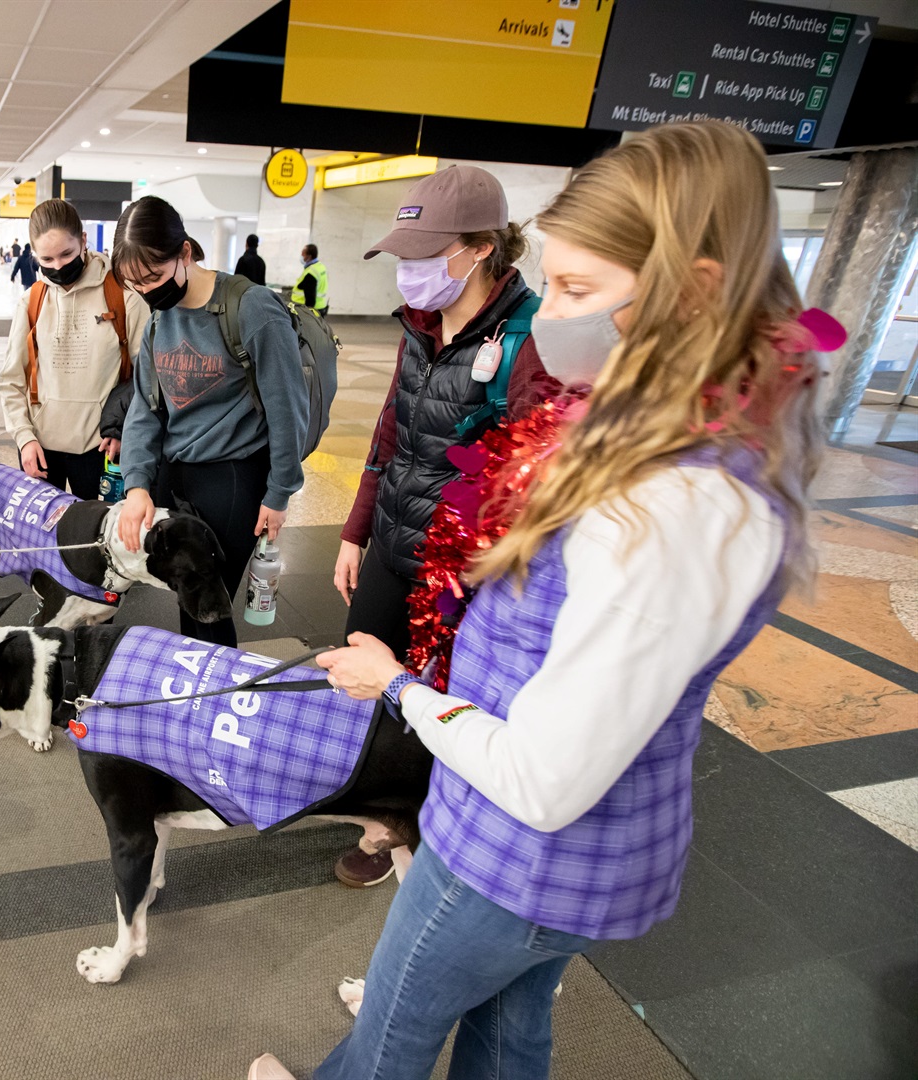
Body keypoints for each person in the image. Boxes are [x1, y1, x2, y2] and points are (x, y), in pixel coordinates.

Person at [249, 121, 824, 1080]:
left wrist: (396, 683)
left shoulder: (669, 500)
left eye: (580, 291)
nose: (551, 316)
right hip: (577, 855)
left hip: (513, 852)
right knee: (510, 1033)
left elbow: (546, 779)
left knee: (392, 1030)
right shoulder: (656, 436)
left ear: (696, 293)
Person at [328, 165, 556, 888]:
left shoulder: (532, 338)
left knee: (432, 700)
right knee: (359, 676)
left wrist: (474, 571)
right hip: (396, 540)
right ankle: (379, 815)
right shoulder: (420, 326)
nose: (412, 272)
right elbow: (391, 427)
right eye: (406, 255)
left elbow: (532, 482)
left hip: (461, 574)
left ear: (481, 248)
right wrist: (354, 530)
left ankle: (420, 831)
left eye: (428, 255)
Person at [113, 196, 308, 647]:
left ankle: (215, 702)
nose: (146, 291)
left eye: (153, 277)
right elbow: (145, 406)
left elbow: (287, 410)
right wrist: (137, 484)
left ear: (185, 252)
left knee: (207, 606)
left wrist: (280, 493)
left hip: (232, 478)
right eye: (133, 284)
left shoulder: (252, 309)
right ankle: (199, 692)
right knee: (188, 600)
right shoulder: (158, 319)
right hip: (174, 472)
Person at [0, 199, 149, 496]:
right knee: (40, 540)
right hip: (40, 449)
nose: (58, 266)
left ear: (83, 240)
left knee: (93, 540)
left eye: (66, 254)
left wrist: (122, 430)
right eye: (47, 260)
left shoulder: (123, 296)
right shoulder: (32, 301)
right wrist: (24, 437)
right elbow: (11, 380)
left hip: (101, 448)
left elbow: (148, 376)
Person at [292, 243, 330, 315]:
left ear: (309, 256)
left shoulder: (311, 272)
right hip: (321, 306)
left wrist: (308, 313)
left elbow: (310, 299)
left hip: (311, 310)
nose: (301, 256)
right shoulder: (320, 267)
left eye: (303, 254)